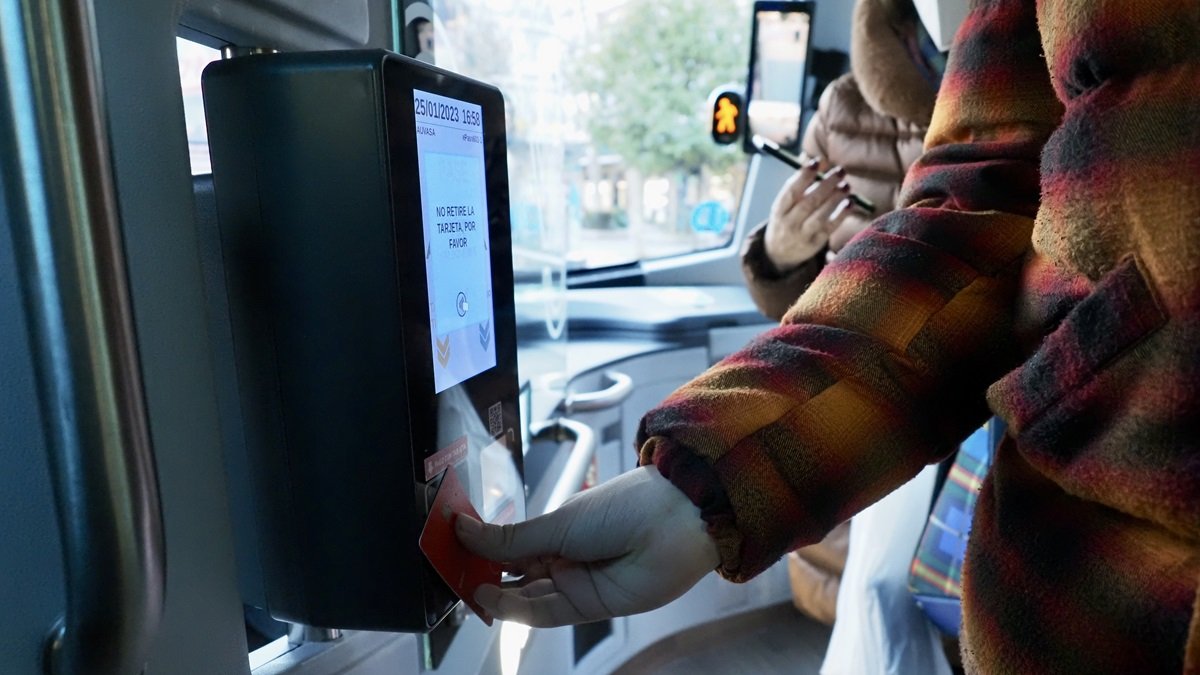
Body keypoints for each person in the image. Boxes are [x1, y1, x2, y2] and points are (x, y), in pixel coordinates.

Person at [457, 0, 1200, 671]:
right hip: (1088, 605)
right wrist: (698, 487)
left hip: (1013, 453)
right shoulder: (845, 109)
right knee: (877, 590)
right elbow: (972, 219)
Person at [740, 0, 943, 657]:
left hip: (983, 397)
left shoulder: (1034, 84)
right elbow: (808, 306)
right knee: (885, 607)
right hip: (880, 400)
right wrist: (782, 252)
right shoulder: (842, 106)